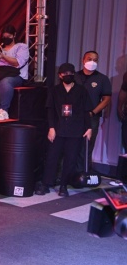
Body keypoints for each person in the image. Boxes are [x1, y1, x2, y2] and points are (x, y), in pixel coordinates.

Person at [35, 63, 93, 197]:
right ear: (60, 75)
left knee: (70, 159)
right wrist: (51, 128)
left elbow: (86, 111)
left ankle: (63, 185)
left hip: (75, 130)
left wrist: (89, 128)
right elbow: (50, 110)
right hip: (58, 128)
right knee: (52, 157)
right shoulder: (54, 90)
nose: (68, 76)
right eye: (65, 74)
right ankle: (46, 184)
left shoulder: (81, 90)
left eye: (70, 73)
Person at [74, 51, 111, 173]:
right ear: (83, 60)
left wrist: (92, 113)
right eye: (89, 59)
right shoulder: (75, 76)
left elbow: (106, 100)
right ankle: (68, 173)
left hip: (91, 117)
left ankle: (83, 173)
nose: (92, 62)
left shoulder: (102, 79)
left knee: (87, 146)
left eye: (95, 60)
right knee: (71, 144)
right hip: (74, 117)